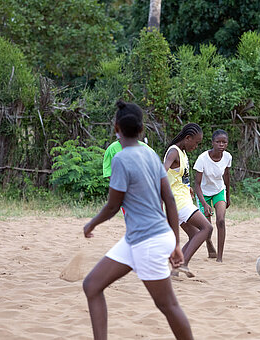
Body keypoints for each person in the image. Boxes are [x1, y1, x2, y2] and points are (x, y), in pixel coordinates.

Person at [82, 100, 193, 340]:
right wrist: (174, 242)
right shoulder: (151, 154)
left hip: (148, 242)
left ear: (116, 128)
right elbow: (170, 201)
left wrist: (92, 223)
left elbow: (113, 205)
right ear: (142, 129)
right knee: (92, 285)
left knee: (168, 306)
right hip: (142, 239)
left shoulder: (121, 159)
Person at [164, 123, 213, 277]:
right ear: (187, 138)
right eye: (196, 142)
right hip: (178, 202)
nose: (196, 146)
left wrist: (188, 187)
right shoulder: (174, 151)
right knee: (207, 228)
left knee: (194, 234)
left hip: (181, 200)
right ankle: (183, 263)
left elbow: (177, 177)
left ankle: (176, 269)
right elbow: (160, 172)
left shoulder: (182, 153)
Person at [193, 129, 232, 263]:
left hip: (219, 190)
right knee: (207, 225)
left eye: (224, 142)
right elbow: (197, 184)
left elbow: (226, 176)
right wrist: (204, 204)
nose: (221, 144)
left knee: (220, 220)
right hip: (203, 193)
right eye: (218, 142)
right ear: (212, 143)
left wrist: (228, 195)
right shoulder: (202, 159)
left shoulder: (227, 157)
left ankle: (220, 257)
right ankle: (209, 242)